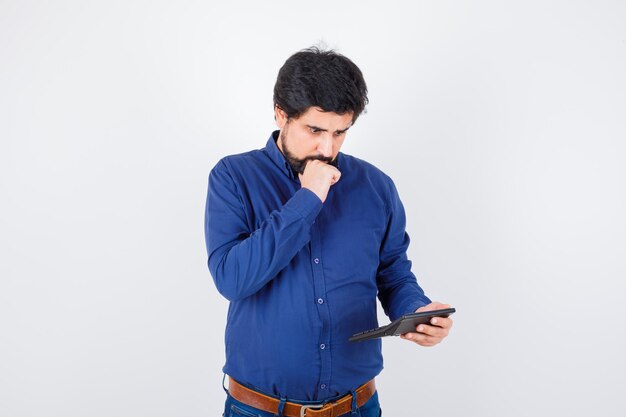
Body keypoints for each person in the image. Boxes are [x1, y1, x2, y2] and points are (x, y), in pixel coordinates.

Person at [204, 46, 453, 417]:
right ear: (280, 113)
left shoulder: (375, 186)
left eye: (340, 132)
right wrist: (308, 198)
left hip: (357, 407)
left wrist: (416, 312)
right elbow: (232, 279)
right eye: (314, 130)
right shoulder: (233, 178)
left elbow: (393, 273)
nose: (327, 147)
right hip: (260, 410)